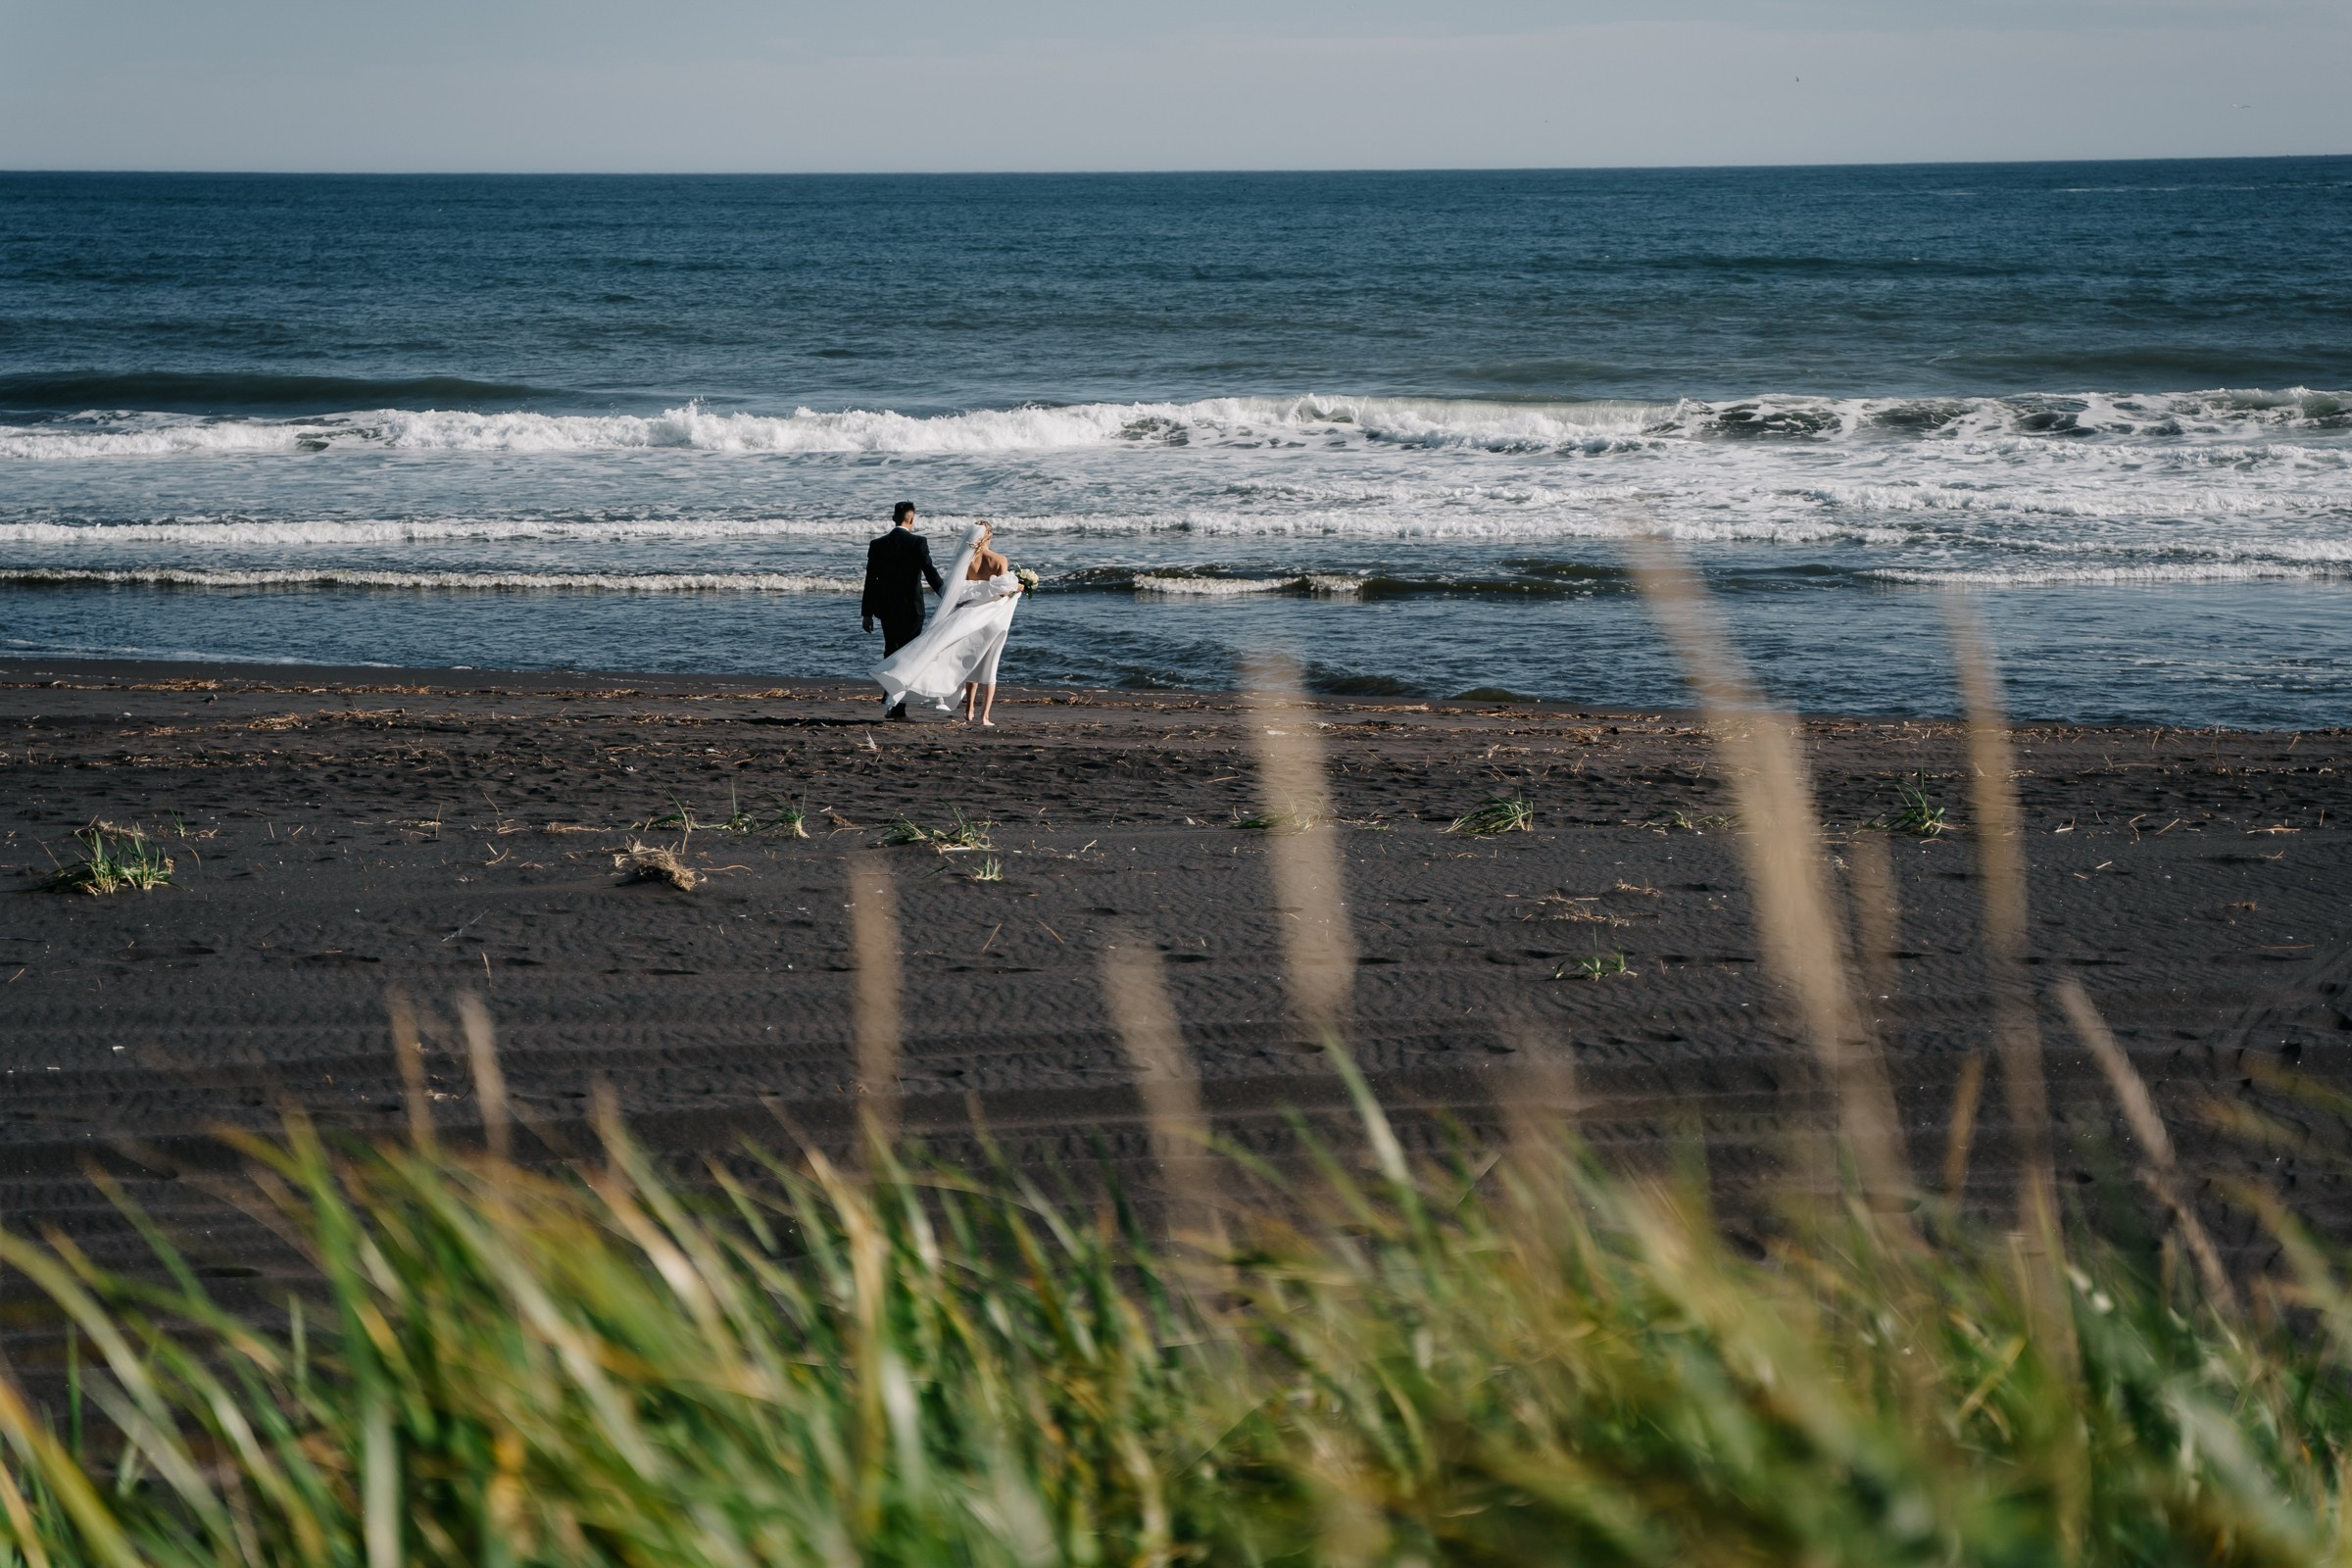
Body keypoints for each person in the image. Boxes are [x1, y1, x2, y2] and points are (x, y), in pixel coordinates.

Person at [872, 521, 1024, 721]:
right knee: (989, 665)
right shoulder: (999, 560)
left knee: (968, 662)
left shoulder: (966, 562)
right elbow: (1003, 590)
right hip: (991, 619)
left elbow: (958, 592)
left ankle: (968, 709)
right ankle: (985, 716)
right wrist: (1021, 586)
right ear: (988, 537)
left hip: (967, 617)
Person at [861, 501, 945, 719]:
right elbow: (931, 574)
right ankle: (896, 706)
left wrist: (867, 613)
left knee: (891, 652)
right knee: (908, 656)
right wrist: (948, 596)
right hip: (912, 609)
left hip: (886, 609)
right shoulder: (918, 542)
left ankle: (891, 701)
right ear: (911, 518)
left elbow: (870, 580)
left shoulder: (878, 544)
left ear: (894, 519)